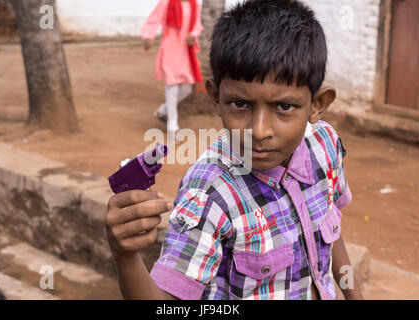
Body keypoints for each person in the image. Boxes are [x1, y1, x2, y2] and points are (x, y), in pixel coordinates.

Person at [106, 0, 364, 300]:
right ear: (215, 97)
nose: (259, 130)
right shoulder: (209, 192)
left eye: (284, 107)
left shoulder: (325, 146)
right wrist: (124, 256)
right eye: (240, 104)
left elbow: (332, 235)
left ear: (317, 105)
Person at [142, 0, 204, 138]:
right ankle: (172, 128)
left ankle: (162, 110)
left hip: (185, 52)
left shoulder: (194, 4)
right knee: (172, 89)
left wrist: (193, 34)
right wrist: (148, 36)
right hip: (170, 50)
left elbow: (198, 26)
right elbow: (153, 20)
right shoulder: (166, 2)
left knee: (187, 88)